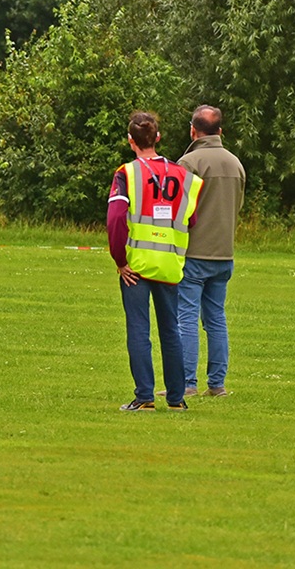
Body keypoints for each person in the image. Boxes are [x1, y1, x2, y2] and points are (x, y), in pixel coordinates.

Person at [107, 111, 203, 412]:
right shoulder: (183, 175)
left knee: (138, 329)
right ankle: (176, 399)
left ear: (130, 141)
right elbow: (193, 218)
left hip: (135, 264)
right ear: (158, 138)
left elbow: (116, 219)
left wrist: (120, 259)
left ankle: (145, 396)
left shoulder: (127, 173)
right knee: (170, 330)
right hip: (169, 262)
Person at [176, 105, 245, 397]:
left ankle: (187, 383)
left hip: (194, 253)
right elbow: (238, 207)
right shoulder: (235, 163)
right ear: (220, 131)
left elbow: (181, 210)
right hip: (224, 253)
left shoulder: (189, 162)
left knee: (187, 318)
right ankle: (217, 384)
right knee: (216, 318)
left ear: (193, 130)